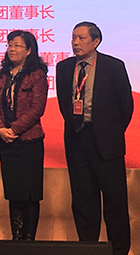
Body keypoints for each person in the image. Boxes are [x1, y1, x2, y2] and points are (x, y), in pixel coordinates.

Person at [56, 22, 133, 255]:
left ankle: (119, 249)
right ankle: (87, 247)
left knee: (114, 200)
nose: (75, 43)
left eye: (81, 38)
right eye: (73, 38)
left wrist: (111, 131)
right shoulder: (64, 68)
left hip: (107, 142)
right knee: (83, 199)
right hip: (77, 139)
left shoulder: (113, 66)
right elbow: (64, 104)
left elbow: (126, 106)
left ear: (96, 41)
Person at [0, 30, 48, 242]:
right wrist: (0, 129)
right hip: (6, 143)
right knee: (13, 192)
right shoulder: (2, 74)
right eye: (9, 45)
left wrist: (14, 129)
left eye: (17, 45)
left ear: (29, 50)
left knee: (30, 194)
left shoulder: (37, 75)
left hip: (29, 142)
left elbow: (37, 108)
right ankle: (16, 239)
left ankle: (29, 240)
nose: (11, 49)